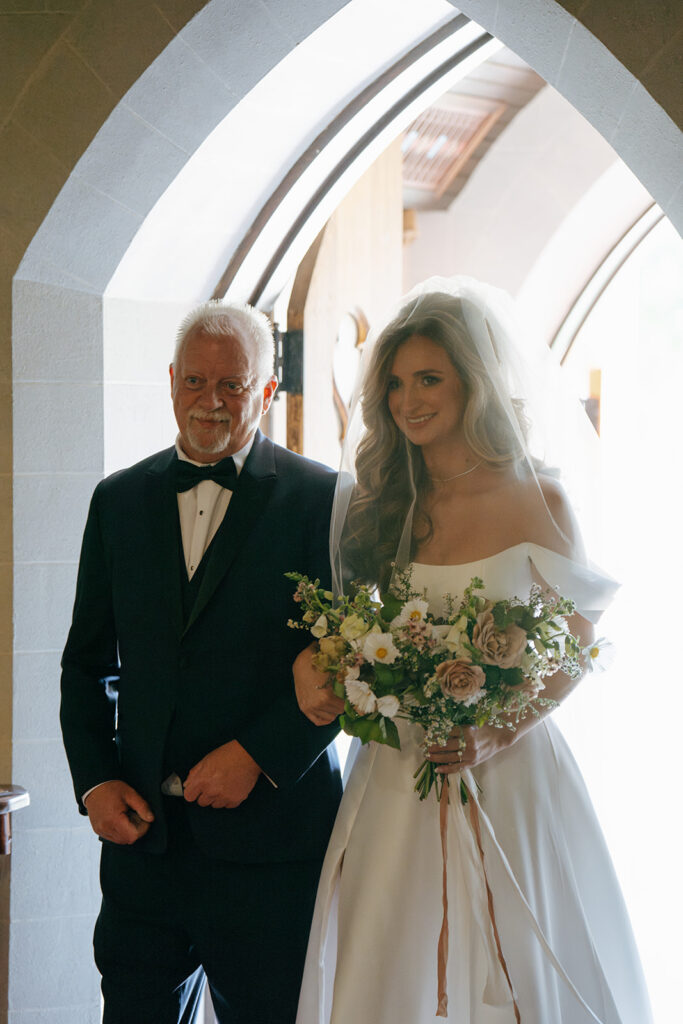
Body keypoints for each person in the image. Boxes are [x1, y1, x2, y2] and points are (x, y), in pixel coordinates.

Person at [293, 280, 653, 1024]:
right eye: (394, 382)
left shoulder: (536, 499)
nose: (407, 399)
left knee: (516, 951)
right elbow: (346, 632)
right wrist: (325, 665)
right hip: (398, 768)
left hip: (511, 768)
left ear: (472, 384)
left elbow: (578, 641)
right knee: (390, 943)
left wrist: (497, 731)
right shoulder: (381, 500)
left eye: (429, 378)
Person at [60, 300, 342, 1024]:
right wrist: (94, 782)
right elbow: (86, 663)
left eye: (233, 385)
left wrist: (257, 754)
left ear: (268, 392)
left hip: (271, 846)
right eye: (193, 381)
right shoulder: (117, 500)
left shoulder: (324, 501)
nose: (209, 402)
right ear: (170, 381)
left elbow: (349, 668)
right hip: (142, 845)